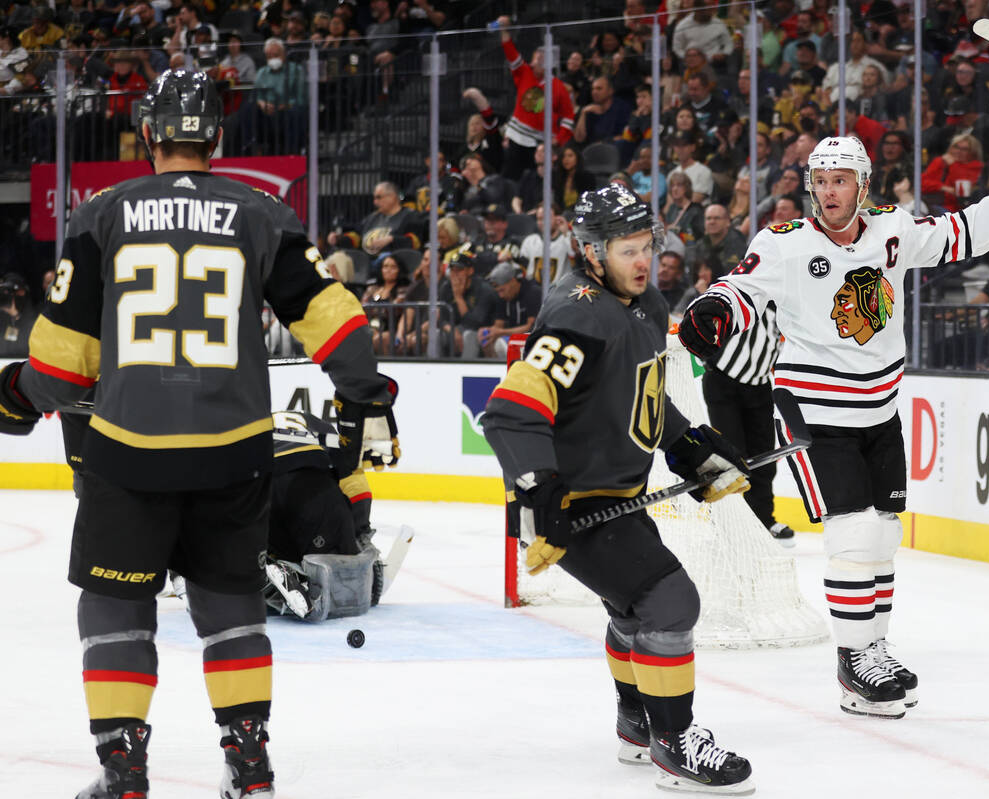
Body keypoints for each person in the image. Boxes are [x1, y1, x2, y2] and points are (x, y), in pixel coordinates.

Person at [0, 70, 399, 799]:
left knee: (115, 602)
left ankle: (123, 766)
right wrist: (368, 394)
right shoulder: (261, 213)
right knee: (229, 600)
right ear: (215, 138)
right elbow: (336, 320)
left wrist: (14, 397)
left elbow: (61, 369)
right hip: (236, 451)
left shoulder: (101, 215)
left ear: (149, 135)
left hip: (127, 451)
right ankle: (249, 765)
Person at [676, 135, 989, 719]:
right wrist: (715, 309)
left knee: (883, 534)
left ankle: (874, 648)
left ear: (862, 184)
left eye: (840, 180)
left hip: (880, 409)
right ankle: (853, 661)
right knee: (853, 535)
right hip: (815, 411)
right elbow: (742, 287)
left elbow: (956, 235)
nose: (829, 191)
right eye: (821, 180)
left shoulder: (891, 229)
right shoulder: (784, 243)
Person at [480, 184, 755, 793]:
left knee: (632, 609)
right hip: (574, 507)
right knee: (670, 602)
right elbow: (509, 414)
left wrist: (689, 447)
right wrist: (540, 493)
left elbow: (644, 398)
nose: (641, 262)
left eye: (645, 247)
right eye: (626, 249)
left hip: (619, 496)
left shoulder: (647, 304)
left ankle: (637, 721)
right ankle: (673, 741)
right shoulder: (577, 315)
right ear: (589, 251)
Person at [261, 410, 405, 622]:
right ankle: (291, 572)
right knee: (341, 583)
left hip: (260, 496)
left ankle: (267, 570)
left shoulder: (248, 426)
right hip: (312, 490)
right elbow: (353, 479)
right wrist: (360, 534)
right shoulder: (315, 425)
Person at [700, 300, 794, 544]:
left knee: (764, 459)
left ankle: (764, 521)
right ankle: (725, 524)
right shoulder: (751, 287)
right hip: (722, 381)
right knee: (731, 458)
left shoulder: (789, 299)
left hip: (760, 385)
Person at [496, 15, 576, 181]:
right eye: (535, 57)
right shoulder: (525, 73)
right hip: (517, 138)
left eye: (541, 58)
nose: (537, 60)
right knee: (510, 177)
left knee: (535, 180)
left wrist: (558, 140)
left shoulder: (558, 87)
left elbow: (569, 118)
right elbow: (511, 54)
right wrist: (504, 31)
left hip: (540, 144)